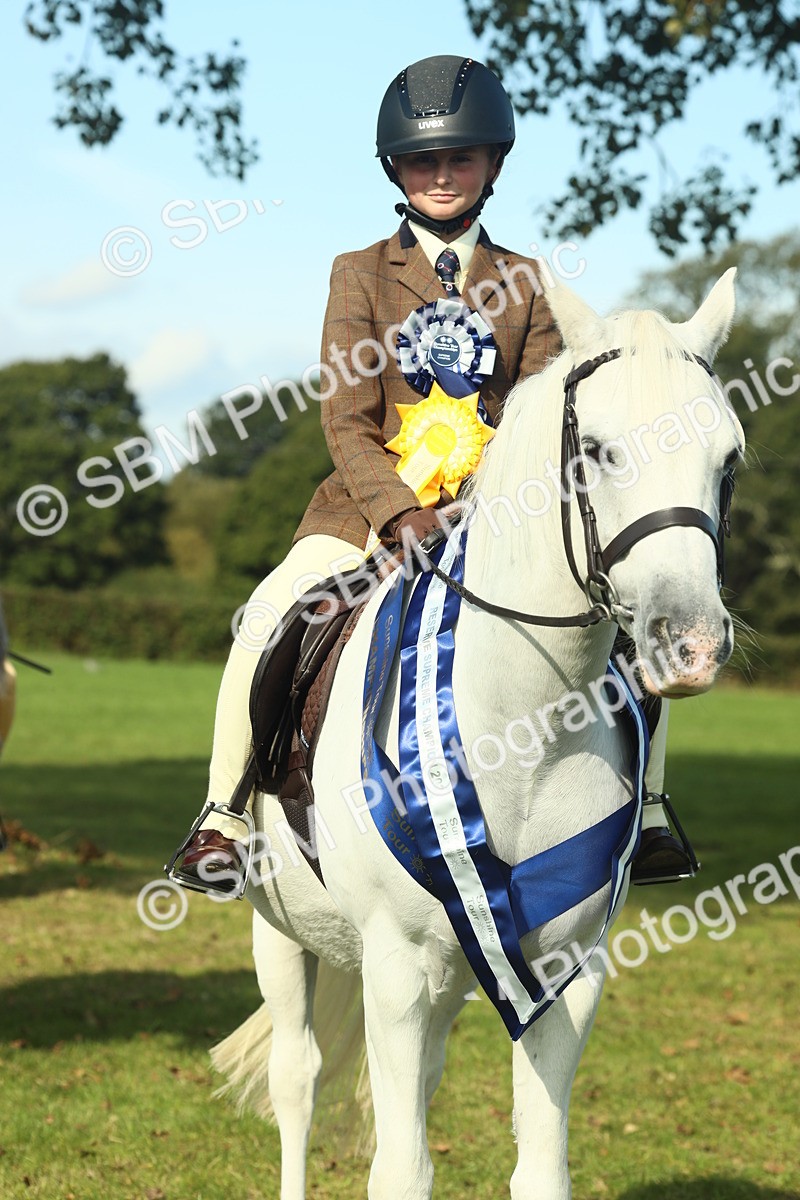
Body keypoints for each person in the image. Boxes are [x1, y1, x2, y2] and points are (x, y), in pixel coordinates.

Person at [170, 54, 694, 895]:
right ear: (397, 170)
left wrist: (497, 507)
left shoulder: (527, 284)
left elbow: (540, 422)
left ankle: (655, 807)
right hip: (363, 512)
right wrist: (399, 514)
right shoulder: (360, 272)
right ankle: (223, 816)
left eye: (459, 159)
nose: (442, 175)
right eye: (423, 161)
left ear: (493, 165)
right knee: (266, 617)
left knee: (630, 626)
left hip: (503, 518)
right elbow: (345, 417)